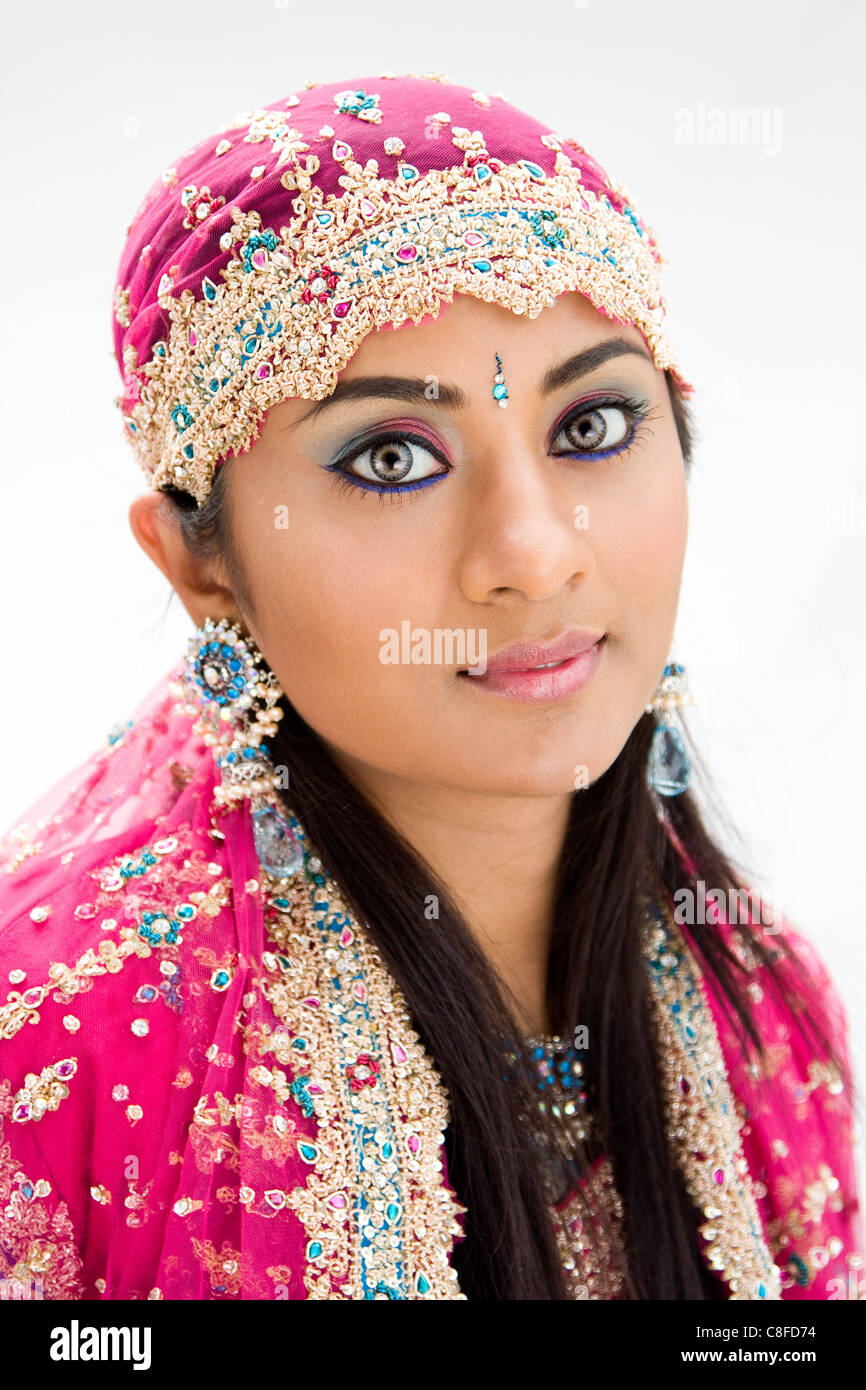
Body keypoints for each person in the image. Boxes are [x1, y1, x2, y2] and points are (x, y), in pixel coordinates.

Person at [0, 71, 860, 1302]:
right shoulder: (52, 1050)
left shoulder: (761, 1008)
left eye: (590, 428)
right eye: (393, 455)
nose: (534, 553)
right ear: (200, 561)